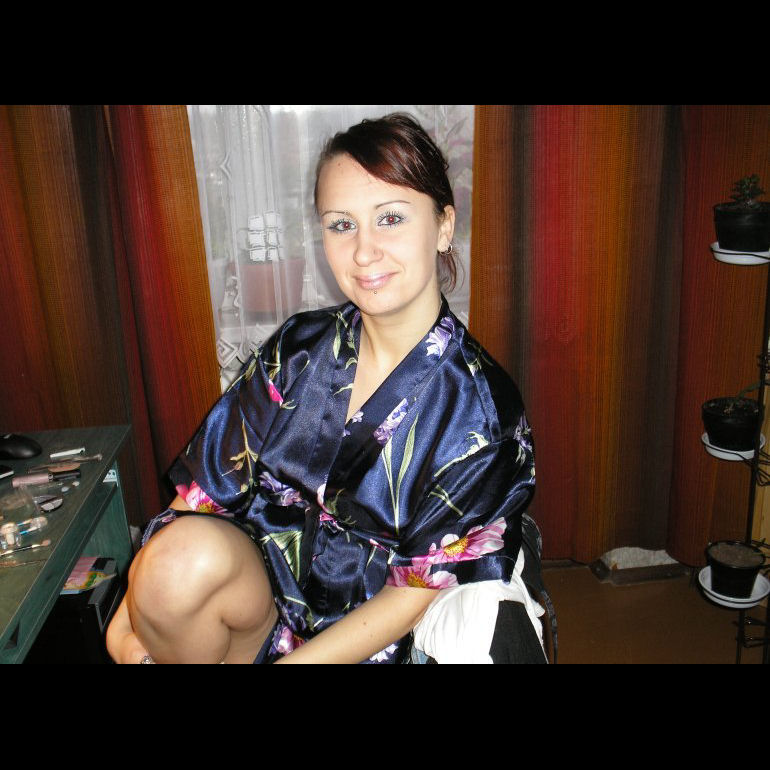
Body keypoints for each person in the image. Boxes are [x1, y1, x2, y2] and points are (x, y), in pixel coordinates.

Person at [106, 113, 552, 664]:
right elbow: (201, 496)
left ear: (443, 225)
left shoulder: (482, 414)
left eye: (390, 218)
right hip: (260, 608)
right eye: (342, 225)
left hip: (365, 641)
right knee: (175, 566)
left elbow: (410, 595)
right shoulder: (300, 348)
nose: (364, 251)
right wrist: (124, 626)